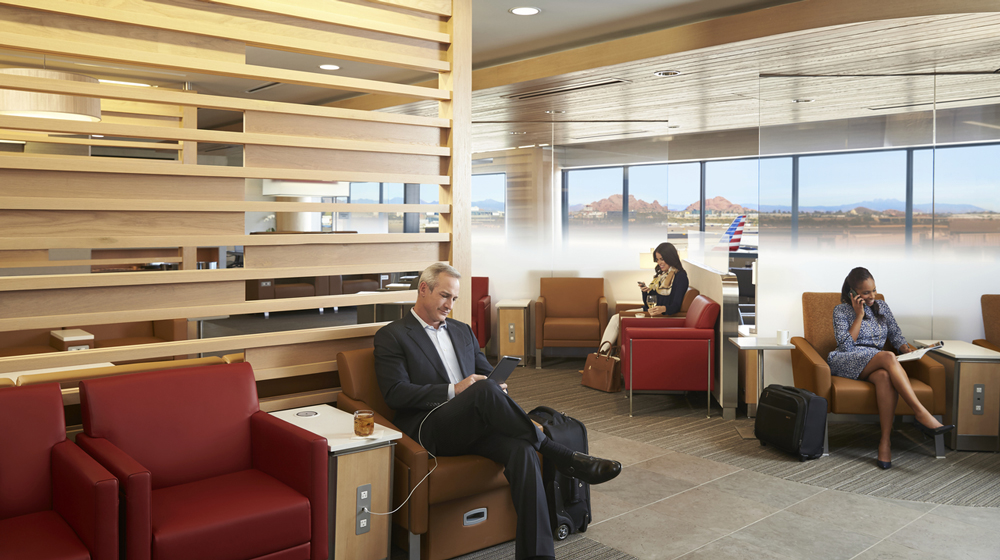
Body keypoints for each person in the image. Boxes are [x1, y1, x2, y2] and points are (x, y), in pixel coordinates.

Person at [374, 263, 622, 560]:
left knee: (522, 450)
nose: (450, 305)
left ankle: (537, 556)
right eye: (444, 296)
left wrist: (497, 388)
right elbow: (395, 393)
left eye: (455, 298)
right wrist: (455, 389)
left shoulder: (462, 331)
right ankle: (560, 454)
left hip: (475, 424)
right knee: (483, 391)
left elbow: (487, 377)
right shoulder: (393, 335)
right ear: (423, 289)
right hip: (431, 427)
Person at [827, 267, 955, 469]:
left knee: (884, 377)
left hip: (876, 362)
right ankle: (920, 412)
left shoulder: (882, 307)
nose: (872, 296)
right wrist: (859, 315)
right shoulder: (841, 310)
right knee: (887, 356)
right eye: (866, 292)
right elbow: (846, 346)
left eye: (874, 290)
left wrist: (908, 350)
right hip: (846, 360)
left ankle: (885, 442)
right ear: (852, 293)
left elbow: (896, 335)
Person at [599, 242, 690, 348]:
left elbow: (676, 305)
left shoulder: (680, 276)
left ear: (670, 257)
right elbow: (648, 303)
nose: (659, 263)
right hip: (650, 311)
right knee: (616, 318)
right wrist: (645, 292)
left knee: (616, 319)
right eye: (657, 259)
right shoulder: (662, 275)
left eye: (662, 259)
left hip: (660, 316)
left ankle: (602, 354)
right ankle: (603, 353)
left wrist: (663, 309)